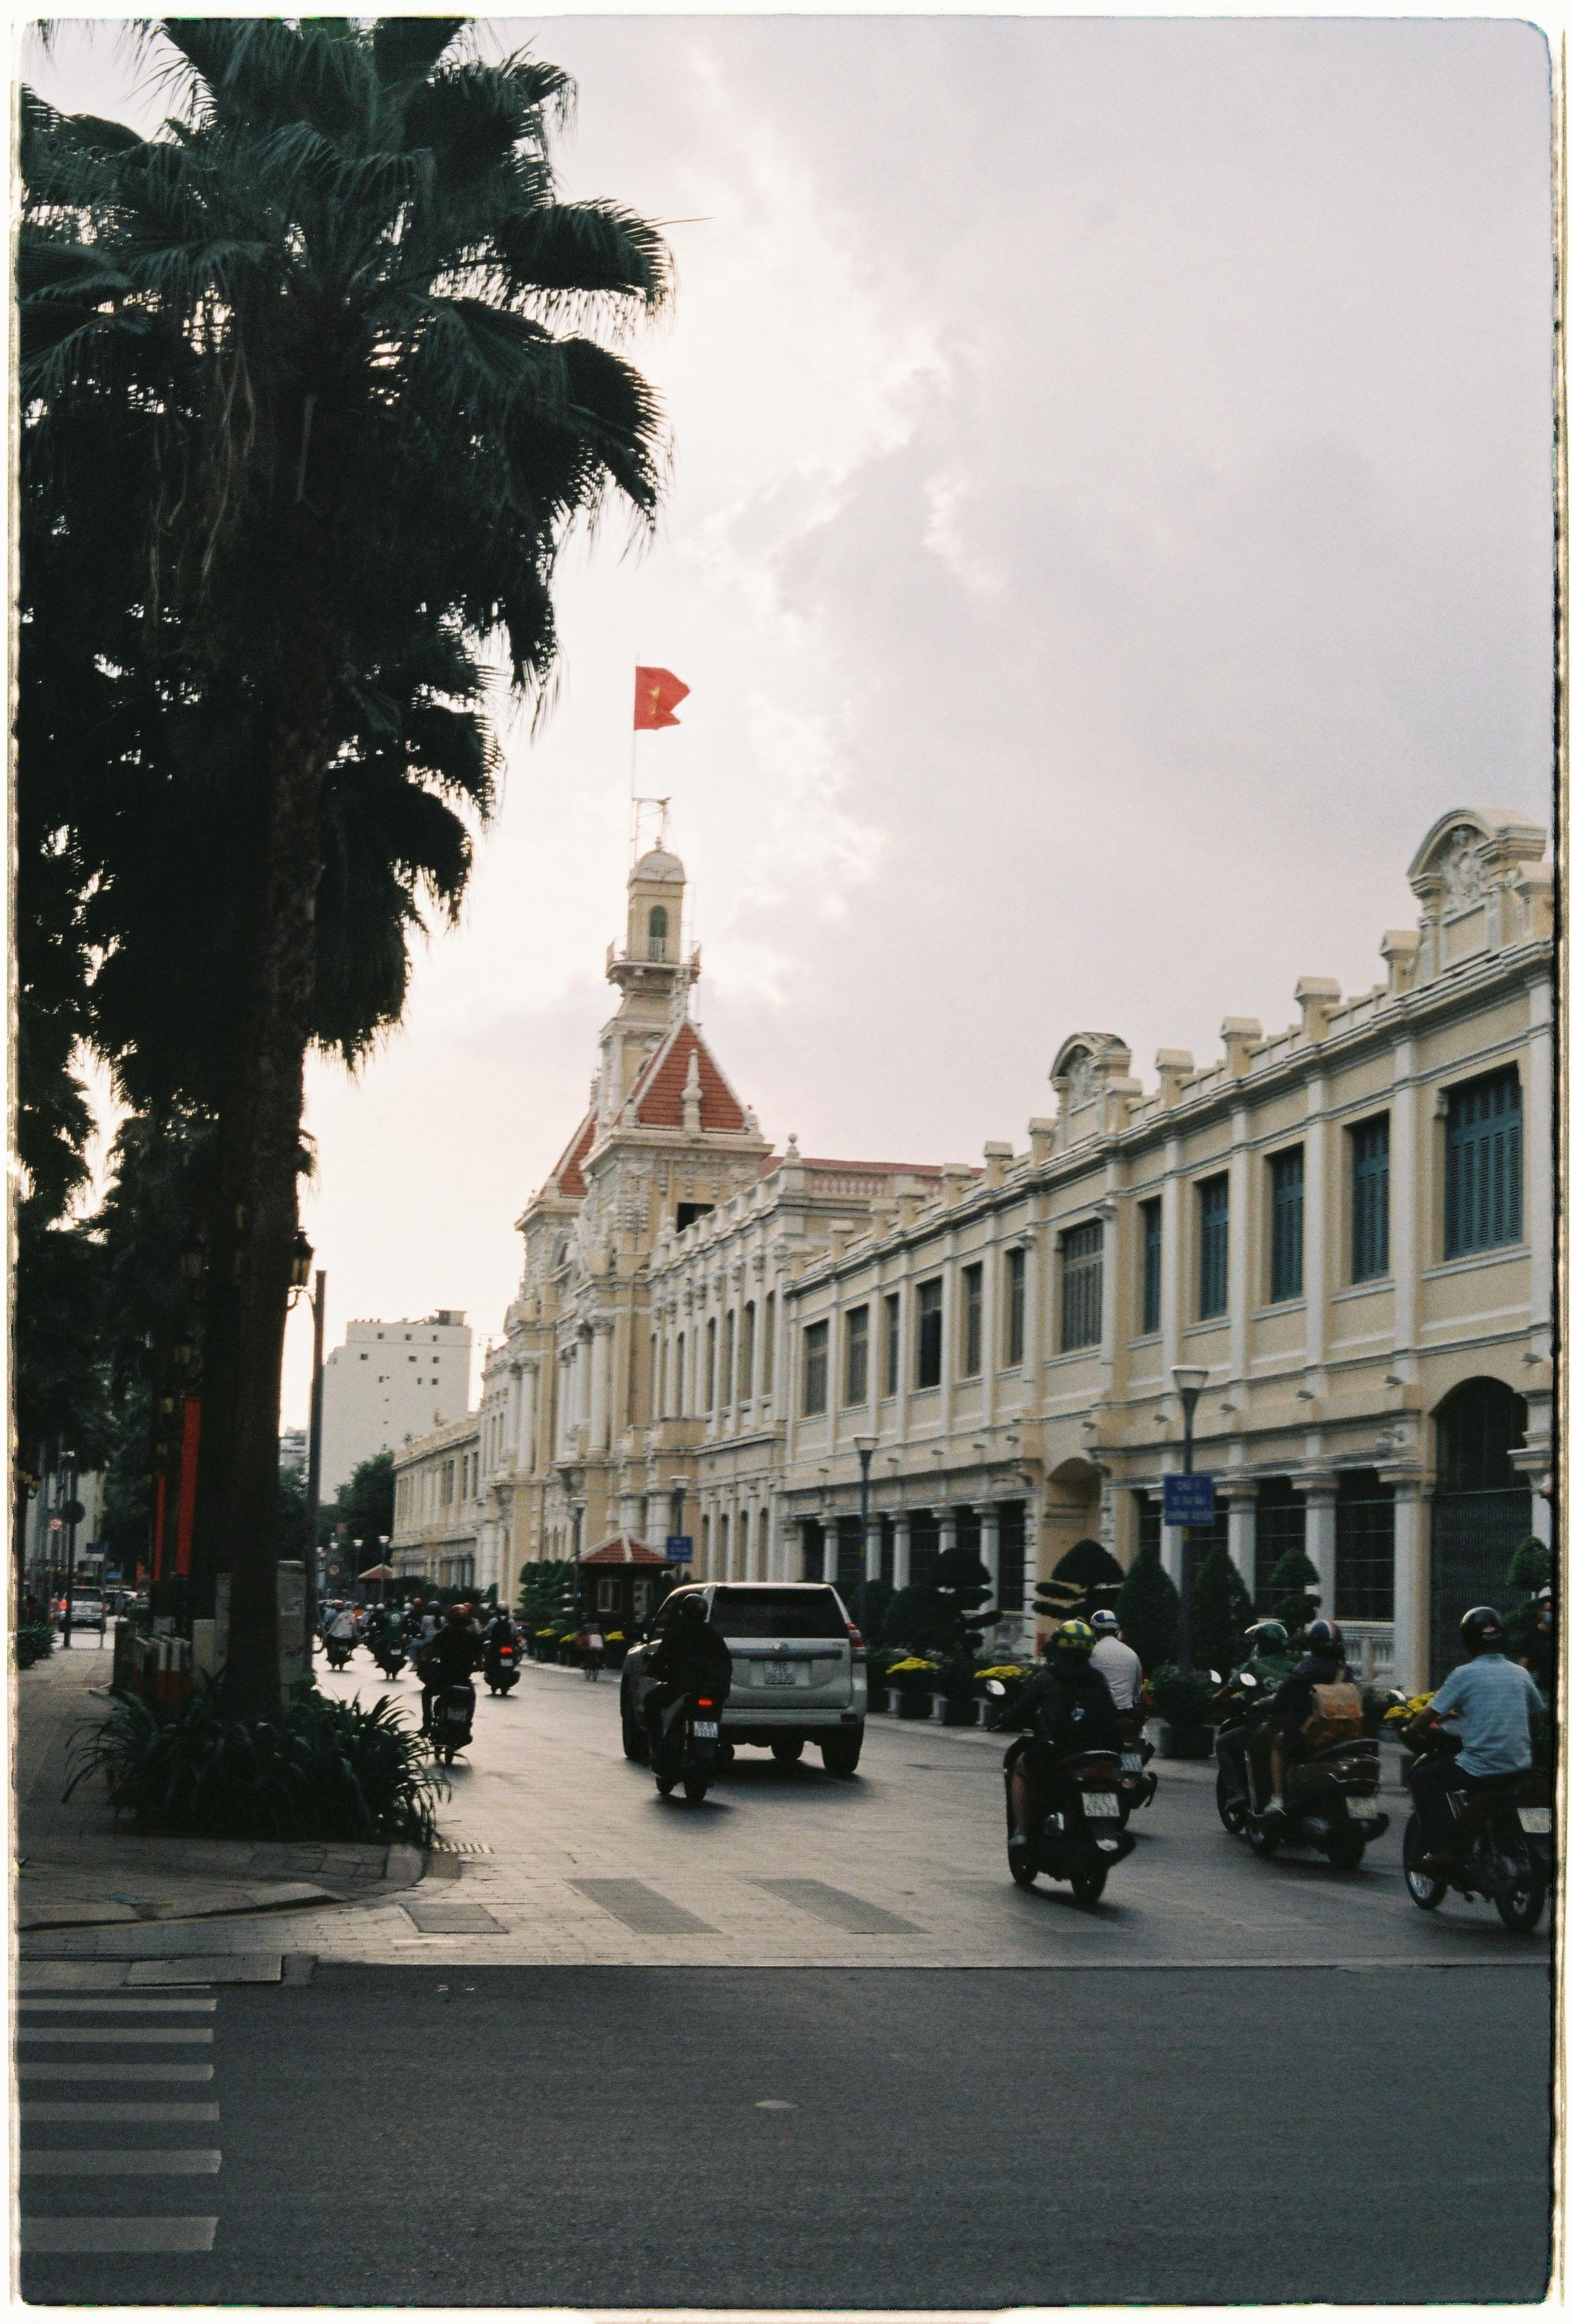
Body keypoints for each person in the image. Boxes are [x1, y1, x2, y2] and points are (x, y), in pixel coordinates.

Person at [1411, 1606, 1546, 1875]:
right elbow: (1537, 1716)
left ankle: (1440, 1850)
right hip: (1520, 1765)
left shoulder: (1464, 1674)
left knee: (1422, 1779)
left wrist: (1411, 1729)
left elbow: (1429, 1714)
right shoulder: (1520, 1674)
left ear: (1467, 1640)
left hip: (1481, 1769)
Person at [1007, 1619, 1123, 1848]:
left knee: (1020, 1769)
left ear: (1059, 1648)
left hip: (1058, 1753)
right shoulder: (1098, 1679)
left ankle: (1021, 1831)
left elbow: (1023, 1708)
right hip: (1102, 1753)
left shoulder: (1048, 1677)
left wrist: (1005, 1718)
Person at [1263, 1617, 1348, 1816]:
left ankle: (1277, 1799)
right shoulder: (1345, 1671)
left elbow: (1281, 1701)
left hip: (1309, 1736)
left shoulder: (1305, 1670)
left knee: (1277, 1743)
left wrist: (1263, 1704)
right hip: (1342, 1736)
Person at [1215, 1620, 1297, 1806]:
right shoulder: (1294, 1668)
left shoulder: (1254, 1667)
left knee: (1222, 1744)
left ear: (1262, 1645)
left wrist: (1215, 1699)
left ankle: (1235, 1793)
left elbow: (1230, 1688)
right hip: (1289, 1728)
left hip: (1259, 1728)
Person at [643, 1595, 733, 1753]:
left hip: (681, 1688)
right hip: (712, 1691)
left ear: (683, 1611)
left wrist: (654, 1670)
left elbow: (660, 1658)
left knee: (650, 1701)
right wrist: (720, 1687)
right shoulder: (713, 1634)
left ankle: (657, 1746)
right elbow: (726, 1663)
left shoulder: (676, 1633)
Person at [418, 1604, 481, 1734]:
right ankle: (467, 1726)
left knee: (427, 1693)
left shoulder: (443, 1636)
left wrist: (426, 1661)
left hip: (445, 1678)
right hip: (463, 1679)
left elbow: (431, 1653)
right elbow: (480, 1659)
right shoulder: (472, 1638)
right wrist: (479, 1666)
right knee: (471, 1698)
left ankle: (427, 1723)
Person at [1087, 1608, 1143, 1711]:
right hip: (1126, 1711)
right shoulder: (1132, 1654)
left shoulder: (1091, 1653)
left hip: (1100, 1712)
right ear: (1116, 1631)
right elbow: (1138, 1687)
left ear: (1095, 1630)